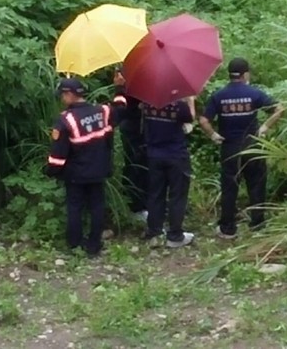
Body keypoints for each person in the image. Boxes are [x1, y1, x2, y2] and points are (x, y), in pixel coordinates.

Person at [199, 57, 285, 239]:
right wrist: (265, 127)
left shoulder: (219, 96)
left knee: (230, 187)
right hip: (252, 146)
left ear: (229, 75)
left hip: (230, 147)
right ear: (245, 74)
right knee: (256, 185)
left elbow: (204, 120)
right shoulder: (254, 93)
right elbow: (279, 109)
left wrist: (213, 135)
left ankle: (228, 228)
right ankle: (258, 224)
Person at [45, 77, 125, 257]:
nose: (62, 99)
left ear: (69, 95)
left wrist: (51, 172)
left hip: (76, 175)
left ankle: (75, 245)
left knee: (75, 208)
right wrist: (120, 88)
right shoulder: (103, 111)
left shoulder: (66, 121)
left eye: (63, 95)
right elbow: (120, 110)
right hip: (99, 171)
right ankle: (94, 245)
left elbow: (58, 155)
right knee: (97, 207)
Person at [142, 97, 196, 248]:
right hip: (176, 154)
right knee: (177, 195)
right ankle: (175, 235)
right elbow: (190, 119)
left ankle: (154, 231)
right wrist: (191, 101)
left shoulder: (147, 103)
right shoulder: (179, 105)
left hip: (154, 155)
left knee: (155, 193)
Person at [112, 69, 149, 221]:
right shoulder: (124, 72)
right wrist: (119, 88)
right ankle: (135, 205)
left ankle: (147, 202)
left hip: (148, 122)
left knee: (146, 164)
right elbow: (120, 108)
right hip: (132, 123)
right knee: (134, 164)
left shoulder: (148, 67)